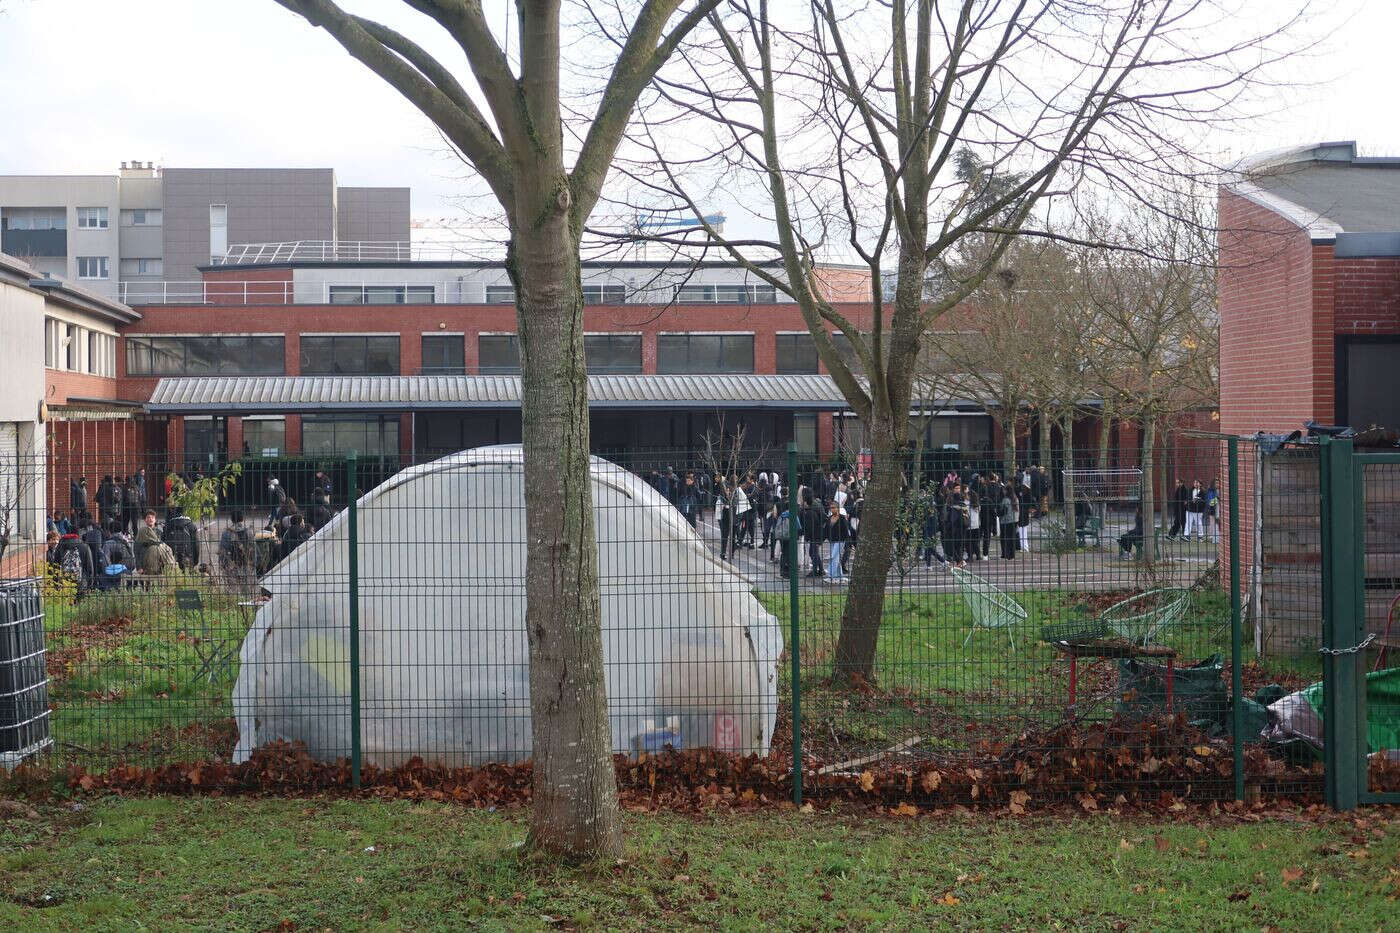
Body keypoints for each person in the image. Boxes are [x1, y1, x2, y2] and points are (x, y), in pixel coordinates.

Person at [219, 510, 256, 577]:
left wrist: (222, 565)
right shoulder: (249, 532)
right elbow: (253, 550)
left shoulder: (226, 533)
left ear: (231, 519)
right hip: (246, 566)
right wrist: (253, 565)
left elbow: (222, 551)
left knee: (232, 585)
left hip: (232, 567)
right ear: (242, 519)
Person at [825, 500, 852, 582]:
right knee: (836, 558)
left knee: (833, 556)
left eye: (834, 508)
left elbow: (846, 531)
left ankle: (830, 575)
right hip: (832, 540)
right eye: (831, 508)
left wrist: (848, 543)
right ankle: (839, 576)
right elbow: (826, 530)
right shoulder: (829, 518)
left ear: (838, 508)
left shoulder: (842, 518)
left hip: (840, 541)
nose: (832, 509)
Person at [803, 490, 825, 577]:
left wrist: (807, 537)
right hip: (819, 533)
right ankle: (821, 569)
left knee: (813, 553)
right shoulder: (816, 507)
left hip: (814, 535)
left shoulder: (809, 512)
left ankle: (815, 570)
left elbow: (809, 527)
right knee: (814, 552)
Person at [999, 487, 1019, 559]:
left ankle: (1006, 553)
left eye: (1004, 490)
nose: (1003, 491)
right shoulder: (1016, 499)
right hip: (1015, 520)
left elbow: (1003, 511)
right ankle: (1012, 554)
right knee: (1012, 538)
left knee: (1005, 538)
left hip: (1006, 521)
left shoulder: (1005, 500)